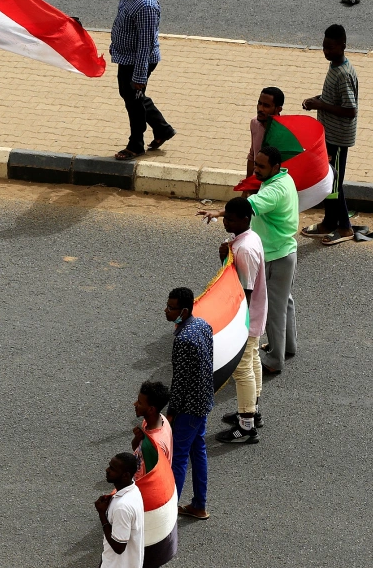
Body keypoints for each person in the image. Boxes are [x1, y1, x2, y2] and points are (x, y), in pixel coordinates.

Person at [199, 146, 298, 375]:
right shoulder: (284, 178)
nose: (256, 170)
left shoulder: (274, 191)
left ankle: (274, 360)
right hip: (284, 250)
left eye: (261, 166)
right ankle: (287, 346)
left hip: (276, 255)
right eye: (256, 165)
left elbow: (248, 207)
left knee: (274, 310)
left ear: (275, 167)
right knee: (284, 303)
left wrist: (218, 213)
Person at [110, 0, 176, 160]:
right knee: (132, 96)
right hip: (126, 57)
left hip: (138, 61)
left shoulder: (146, 5)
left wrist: (139, 76)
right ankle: (162, 129)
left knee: (134, 102)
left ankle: (136, 145)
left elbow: (145, 45)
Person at [215, 197, 267, 443]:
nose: (226, 223)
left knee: (242, 368)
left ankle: (246, 427)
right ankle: (252, 412)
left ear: (245, 219)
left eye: (231, 220)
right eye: (225, 218)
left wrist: (235, 324)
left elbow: (243, 290)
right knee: (253, 359)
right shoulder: (248, 238)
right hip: (255, 312)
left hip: (245, 316)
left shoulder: (244, 249)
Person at [301, 24, 359, 246]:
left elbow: (350, 110)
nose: (326, 52)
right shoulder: (335, 66)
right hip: (329, 135)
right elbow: (333, 98)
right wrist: (317, 100)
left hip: (338, 137)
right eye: (324, 47)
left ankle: (344, 227)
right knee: (328, 179)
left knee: (334, 183)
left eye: (331, 48)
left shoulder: (343, 74)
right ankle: (328, 222)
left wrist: (321, 105)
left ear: (343, 46)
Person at [164, 287, 213, 520]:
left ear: (183, 311)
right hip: (203, 401)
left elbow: (180, 381)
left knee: (179, 458)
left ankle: (168, 513)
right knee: (198, 451)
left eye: (171, 307)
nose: (166, 310)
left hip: (188, 408)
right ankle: (199, 505)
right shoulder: (203, 325)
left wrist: (171, 412)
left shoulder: (183, 340)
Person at [95, 453, 144, 568]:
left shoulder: (122, 507)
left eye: (112, 469)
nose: (107, 470)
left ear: (125, 475)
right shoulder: (134, 490)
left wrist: (102, 514)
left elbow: (118, 547)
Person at [132, 381, 173, 477]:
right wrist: (137, 438)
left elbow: (153, 476)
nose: (135, 404)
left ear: (151, 409)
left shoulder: (155, 444)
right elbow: (137, 450)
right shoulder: (159, 419)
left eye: (140, 403)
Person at [243, 87, 284, 180]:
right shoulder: (254, 123)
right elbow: (252, 155)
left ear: (278, 109)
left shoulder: (283, 132)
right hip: (256, 181)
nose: (260, 109)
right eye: (259, 103)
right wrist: (247, 183)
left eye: (266, 106)